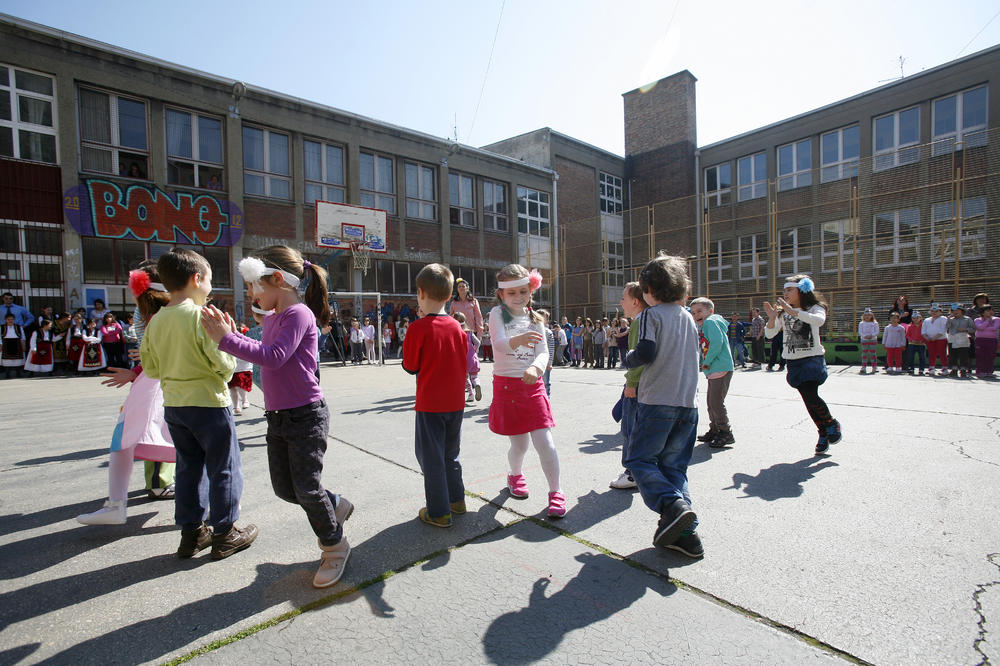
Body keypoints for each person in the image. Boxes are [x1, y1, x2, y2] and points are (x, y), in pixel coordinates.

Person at [205, 246, 352, 586]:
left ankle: (334, 546)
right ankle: (335, 504)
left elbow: (274, 356)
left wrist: (227, 340)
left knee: (307, 488)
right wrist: (231, 336)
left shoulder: (299, 314)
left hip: (306, 416)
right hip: (278, 417)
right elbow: (261, 353)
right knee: (286, 489)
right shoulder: (272, 318)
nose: (251, 294)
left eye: (254, 286)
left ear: (277, 279)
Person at [141, 248, 257, 561]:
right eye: (209, 280)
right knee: (224, 466)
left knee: (188, 468)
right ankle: (225, 532)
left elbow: (151, 369)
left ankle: (192, 533)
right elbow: (224, 366)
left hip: (174, 405)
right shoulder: (202, 316)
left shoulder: (156, 321)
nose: (210, 287)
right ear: (196, 279)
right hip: (208, 403)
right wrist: (229, 338)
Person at [76, 266, 178, 525]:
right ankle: (117, 504)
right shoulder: (162, 316)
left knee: (130, 441)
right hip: (153, 385)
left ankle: (118, 504)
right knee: (128, 441)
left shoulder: (163, 318)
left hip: (157, 388)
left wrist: (138, 370)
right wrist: (136, 371)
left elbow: (163, 358)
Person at [621, 254, 702, 558]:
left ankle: (672, 505)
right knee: (674, 467)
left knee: (639, 460)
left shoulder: (650, 316)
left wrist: (627, 359)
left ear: (649, 290)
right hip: (688, 405)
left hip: (657, 402)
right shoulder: (687, 317)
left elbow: (645, 352)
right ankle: (686, 535)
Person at [488, 264, 564, 518]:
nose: (519, 297)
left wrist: (536, 368)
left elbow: (543, 352)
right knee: (519, 445)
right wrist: (518, 340)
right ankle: (515, 474)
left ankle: (556, 491)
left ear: (531, 291)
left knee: (545, 442)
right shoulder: (497, 314)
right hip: (507, 386)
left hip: (533, 385)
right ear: (502, 294)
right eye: (512, 293)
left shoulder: (535, 319)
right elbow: (498, 344)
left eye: (523, 291)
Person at [402, 264, 469, 528]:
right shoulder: (457, 327)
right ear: (449, 295)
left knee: (431, 459)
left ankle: (439, 512)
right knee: (451, 455)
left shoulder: (418, 328)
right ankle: (456, 500)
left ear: (420, 293)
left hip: (430, 404)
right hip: (456, 403)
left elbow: (410, 366)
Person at [764, 274, 842, 455]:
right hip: (793, 361)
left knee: (810, 395)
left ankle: (831, 423)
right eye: (785, 290)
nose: (786, 293)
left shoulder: (815, 307)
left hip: (811, 359)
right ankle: (823, 432)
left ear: (802, 290)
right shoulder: (783, 312)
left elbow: (819, 321)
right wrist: (772, 318)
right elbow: (769, 334)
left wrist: (794, 312)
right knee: (808, 399)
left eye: (790, 290)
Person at [610, 283, 648, 490]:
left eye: (623, 298)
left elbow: (637, 357)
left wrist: (631, 383)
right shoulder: (646, 320)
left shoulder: (640, 322)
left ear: (635, 301)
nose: (621, 302)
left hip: (638, 384)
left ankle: (631, 473)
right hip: (647, 384)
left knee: (630, 428)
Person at [689, 297, 736, 448]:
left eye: (699, 311)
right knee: (711, 402)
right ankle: (715, 429)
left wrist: (707, 362)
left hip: (719, 367)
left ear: (710, 311)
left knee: (716, 402)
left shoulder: (710, 322)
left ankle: (725, 432)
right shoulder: (707, 324)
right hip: (715, 369)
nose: (696, 315)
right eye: (693, 313)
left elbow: (717, 343)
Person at [452, 312, 482, 402]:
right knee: (474, 376)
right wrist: (474, 350)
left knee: (465, 378)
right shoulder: (469, 332)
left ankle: (471, 394)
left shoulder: (455, 333)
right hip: (472, 358)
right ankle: (477, 384)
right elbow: (478, 342)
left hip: (462, 359)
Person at [947, 305, 974, 378]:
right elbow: (947, 327)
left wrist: (965, 329)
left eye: (957, 310)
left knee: (963, 355)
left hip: (963, 338)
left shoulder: (967, 319)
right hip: (952, 338)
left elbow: (973, 329)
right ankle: (954, 369)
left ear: (962, 311)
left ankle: (963, 369)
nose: (955, 312)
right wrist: (948, 320)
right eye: (953, 311)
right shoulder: (951, 319)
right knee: (952, 355)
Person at [974, 304, 999, 378]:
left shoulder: (997, 319)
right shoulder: (977, 320)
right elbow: (979, 327)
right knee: (980, 356)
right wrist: (987, 321)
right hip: (980, 340)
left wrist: (984, 327)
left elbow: (995, 328)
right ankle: (980, 371)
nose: (990, 312)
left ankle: (989, 371)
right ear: (982, 312)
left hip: (992, 340)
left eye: (991, 310)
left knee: (991, 356)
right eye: (988, 310)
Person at [1, 312, 25, 378]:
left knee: (18, 360)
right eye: (9, 319)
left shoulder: (18, 327)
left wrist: (23, 345)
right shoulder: (2, 327)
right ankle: (7, 374)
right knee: (7, 361)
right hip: (6, 344)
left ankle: (18, 373)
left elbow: (23, 337)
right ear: (6, 320)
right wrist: (0, 345)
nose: (10, 321)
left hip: (17, 344)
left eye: (12, 319)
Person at [857, 308, 880, 374]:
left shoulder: (875, 323)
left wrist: (872, 335)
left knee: (873, 354)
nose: (867, 316)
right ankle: (863, 367)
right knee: (864, 353)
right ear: (863, 316)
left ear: (872, 316)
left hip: (873, 340)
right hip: (864, 340)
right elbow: (860, 332)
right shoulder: (861, 323)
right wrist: (865, 336)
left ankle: (874, 367)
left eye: (869, 315)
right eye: (866, 315)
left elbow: (877, 331)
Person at [538, 309, 555, 395]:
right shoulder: (531, 330)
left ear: (547, 320)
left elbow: (551, 349)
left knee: (546, 383)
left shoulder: (548, 332)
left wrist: (550, 363)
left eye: (542, 318)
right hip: (533, 361)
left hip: (545, 362)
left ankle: (547, 398)